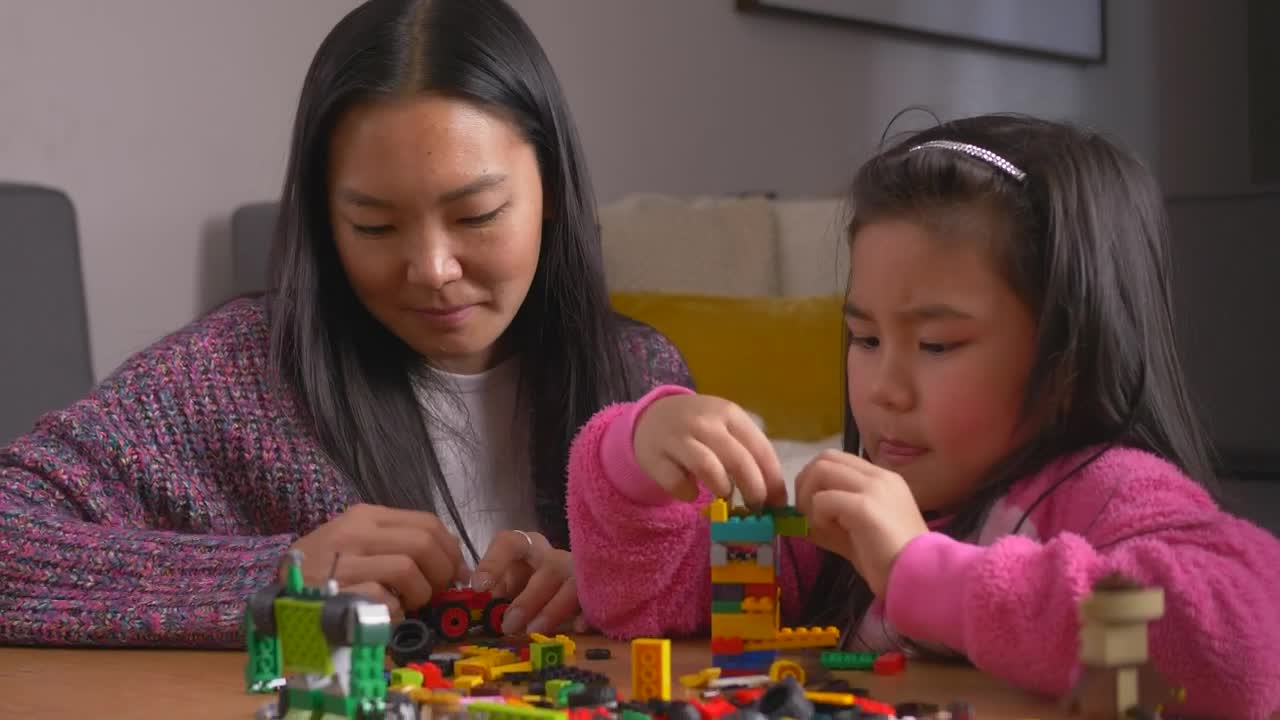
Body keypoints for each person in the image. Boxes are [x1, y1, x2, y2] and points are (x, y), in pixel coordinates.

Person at [0, 0, 691, 648]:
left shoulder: (641, 377)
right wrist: (277, 579)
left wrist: (618, 584)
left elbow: (733, 571)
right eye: (375, 226)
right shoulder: (229, 375)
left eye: (476, 215)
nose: (432, 269)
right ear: (325, 222)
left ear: (553, 191)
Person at [566, 114, 1280, 718]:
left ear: (1068, 361)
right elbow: (643, 603)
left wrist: (923, 570)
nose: (885, 390)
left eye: (936, 345)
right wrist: (630, 458)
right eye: (865, 338)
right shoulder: (840, 525)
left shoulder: (1107, 490)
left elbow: (1248, 643)